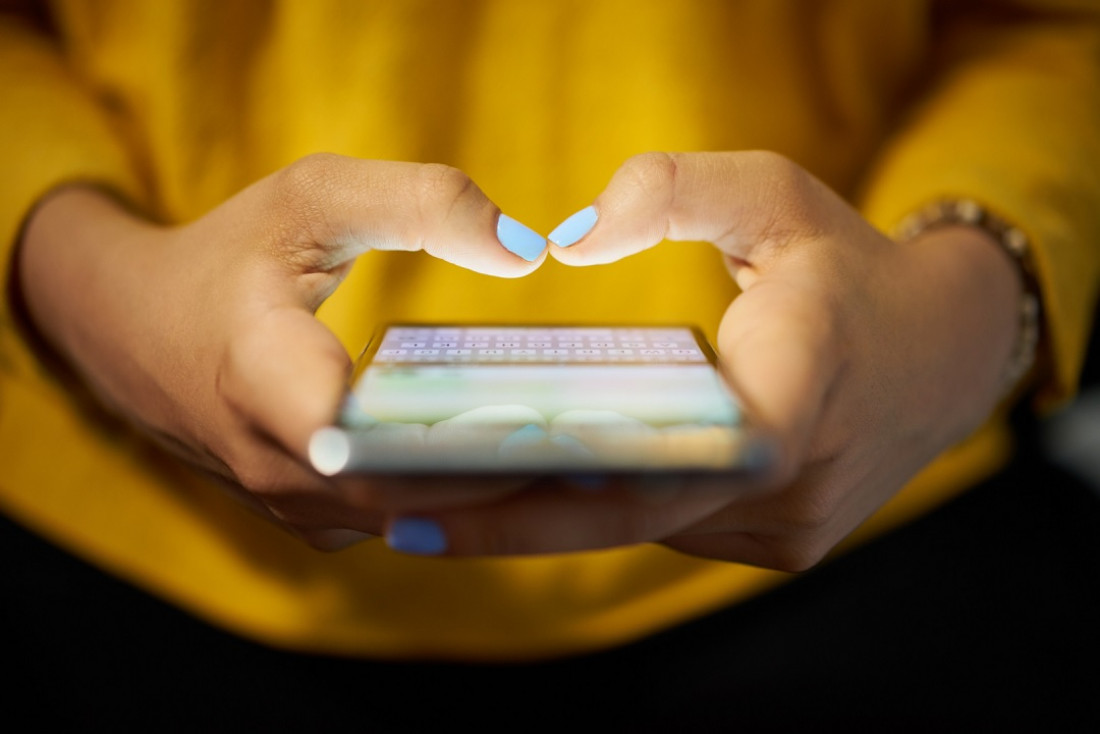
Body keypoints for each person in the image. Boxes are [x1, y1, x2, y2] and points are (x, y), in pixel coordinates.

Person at [3, 0, 1099, 728]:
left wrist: (962, 304)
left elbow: (1051, 28)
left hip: (880, 539)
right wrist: (78, 279)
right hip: (124, 573)